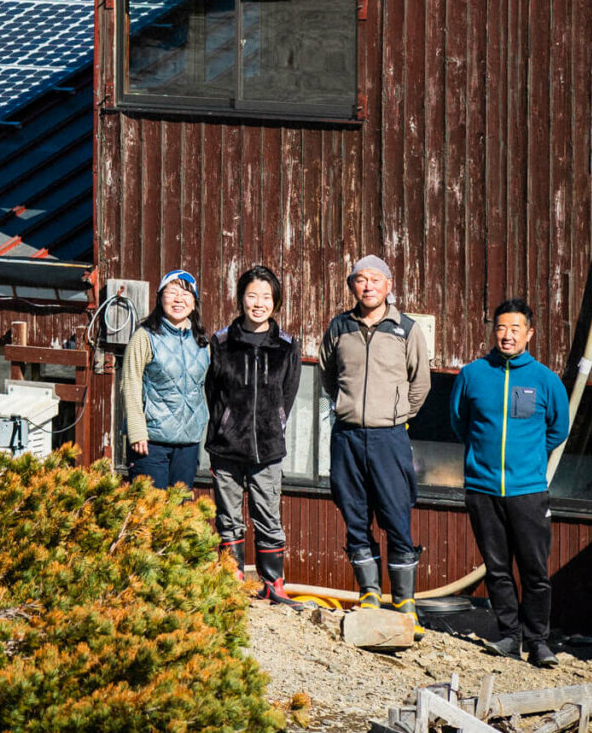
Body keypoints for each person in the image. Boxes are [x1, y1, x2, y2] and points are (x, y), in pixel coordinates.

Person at [449, 297, 571, 666]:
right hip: (483, 488)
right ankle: (508, 635)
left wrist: (527, 459)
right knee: (497, 568)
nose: (507, 335)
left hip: (528, 491)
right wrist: (483, 459)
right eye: (501, 328)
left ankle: (538, 642)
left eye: (515, 329)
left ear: (529, 334)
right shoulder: (473, 374)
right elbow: (459, 422)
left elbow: (558, 430)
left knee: (535, 571)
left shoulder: (546, 381)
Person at [319, 254, 431, 608]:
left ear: (388, 285)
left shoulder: (407, 329)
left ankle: (404, 601)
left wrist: (395, 414)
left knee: (396, 516)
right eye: (361, 279)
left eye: (375, 279)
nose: (368, 286)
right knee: (354, 515)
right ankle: (369, 593)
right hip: (347, 436)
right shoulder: (339, 327)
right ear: (352, 285)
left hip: (389, 438)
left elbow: (421, 383)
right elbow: (326, 375)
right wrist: (349, 407)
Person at [206, 263, 304, 605]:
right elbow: (212, 392)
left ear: (276, 302)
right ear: (240, 299)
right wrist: (227, 423)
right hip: (226, 446)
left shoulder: (287, 345)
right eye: (252, 296)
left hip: (268, 447)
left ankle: (272, 583)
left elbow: (288, 395)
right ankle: (232, 579)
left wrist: (272, 422)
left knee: (267, 515)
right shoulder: (220, 342)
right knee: (228, 517)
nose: (258, 303)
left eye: (266, 296)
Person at [122, 268, 209, 488]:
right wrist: (136, 430)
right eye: (172, 292)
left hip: (188, 443)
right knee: (150, 513)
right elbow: (130, 384)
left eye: (186, 293)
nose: (179, 299)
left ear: (194, 302)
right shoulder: (145, 336)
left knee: (178, 513)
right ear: (160, 297)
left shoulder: (202, 343)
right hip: (150, 442)